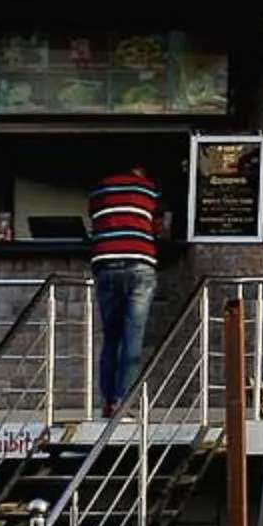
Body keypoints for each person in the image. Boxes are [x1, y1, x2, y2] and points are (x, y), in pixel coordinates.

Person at [87, 164, 163, 413]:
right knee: (133, 339)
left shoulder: (99, 191)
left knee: (111, 338)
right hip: (139, 265)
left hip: (106, 265)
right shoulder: (149, 190)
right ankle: (124, 402)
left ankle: (107, 402)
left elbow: (94, 226)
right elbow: (158, 228)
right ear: (140, 172)